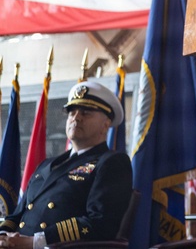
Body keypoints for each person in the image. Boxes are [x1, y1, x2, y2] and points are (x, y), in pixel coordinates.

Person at [0, 81, 133, 248]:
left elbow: (101, 223)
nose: (76, 117)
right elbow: (17, 214)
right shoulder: (46, 165)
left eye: (86, 113)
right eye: (72, 113)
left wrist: (35, 242)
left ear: (106, 124)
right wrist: (3, 235)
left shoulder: (112, 163)